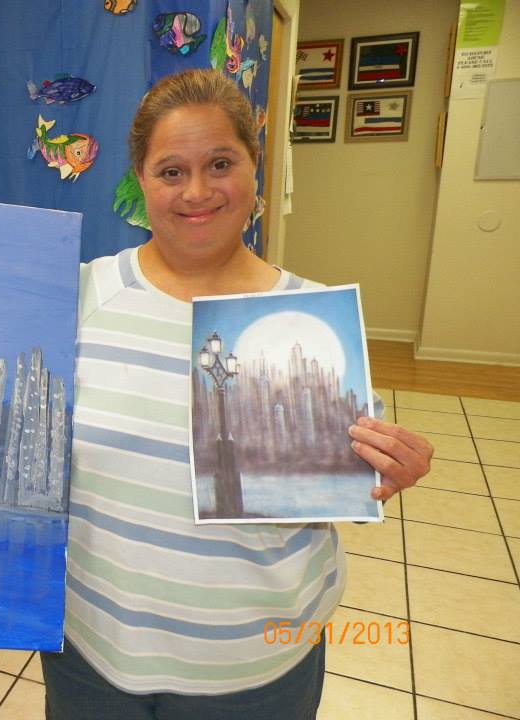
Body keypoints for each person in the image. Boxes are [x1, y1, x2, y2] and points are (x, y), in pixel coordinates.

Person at [40, 68, 433, 720]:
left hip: (255, 664)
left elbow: (341, 467)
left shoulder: (308, 317)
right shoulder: (78, 295)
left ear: (255, 166)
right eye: (171, 171)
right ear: (140, 180)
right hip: (92, 649)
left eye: (220, 164)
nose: (197, 191)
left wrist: (387, 463)